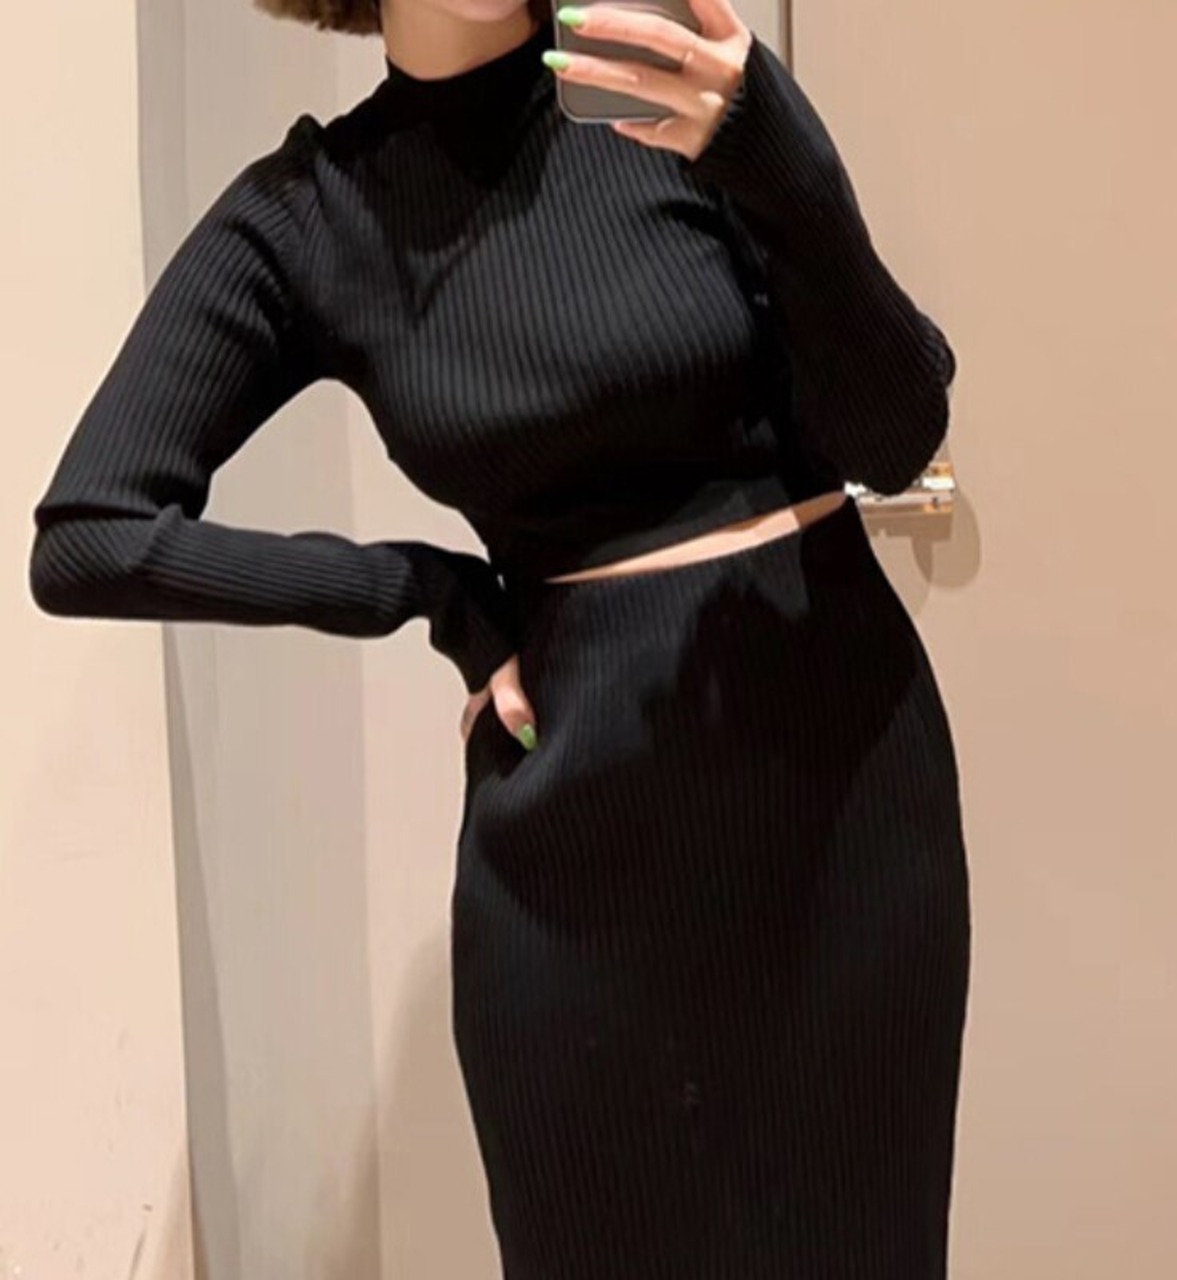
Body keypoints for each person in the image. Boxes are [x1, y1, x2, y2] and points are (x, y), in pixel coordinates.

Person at [28, 0, 971, 1274]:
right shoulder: (313, 215)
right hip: (570, 849)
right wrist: (427, 593)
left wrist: (773, 147)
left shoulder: (670, 94)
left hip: (838, 795)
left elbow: (895, 431)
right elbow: (88, 534)